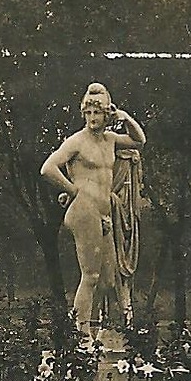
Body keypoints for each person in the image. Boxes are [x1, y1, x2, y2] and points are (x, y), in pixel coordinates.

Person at [40, 83, 146, 338]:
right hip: (84, 210)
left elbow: (139, 141)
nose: (92, 118)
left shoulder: (110, 140)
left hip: (104, 213)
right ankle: (80, 337)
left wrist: (125, 117)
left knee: (108, 280)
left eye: (97, 112)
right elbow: (48, 168)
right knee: (90, 275)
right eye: (88, 113)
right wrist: (73, 190)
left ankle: (96, 335)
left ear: (107, 114)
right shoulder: (76, 141)